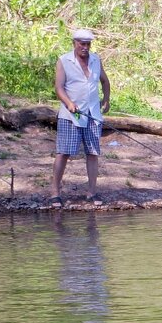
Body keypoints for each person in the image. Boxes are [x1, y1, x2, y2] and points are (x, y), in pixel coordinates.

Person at [50, 28, 111, 208]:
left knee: (93, 152)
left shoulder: (96, 60)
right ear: (74, 43)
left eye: (88, 44)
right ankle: (55, 193)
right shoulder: (64, 60)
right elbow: (59, 88)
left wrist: (106, 100)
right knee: (64, 152)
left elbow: (105, 81)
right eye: (81, 44)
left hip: (92, 113)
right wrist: (69, 103)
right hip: (71, 115)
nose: (85, 47)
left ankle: (91, 192)